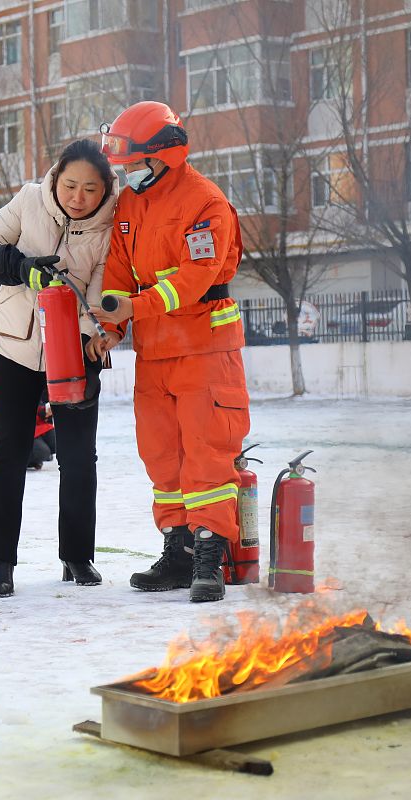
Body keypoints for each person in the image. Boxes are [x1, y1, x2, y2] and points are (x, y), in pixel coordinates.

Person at [91, 101, 249, 603]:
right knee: (162, 456)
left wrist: (133, 307)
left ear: (165, 154)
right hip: (156, 353)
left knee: (207, 452)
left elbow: (194, 277)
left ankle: (209, 556)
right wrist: (112, 327)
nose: (126, 174)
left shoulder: (206, 202)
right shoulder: (130, 206)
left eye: (133, 163)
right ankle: (177, 550)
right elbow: (118, 269)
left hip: (205, 346)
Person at [0, 137, 117, 597]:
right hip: (14, 344)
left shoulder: (110, 226)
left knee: (77, 456)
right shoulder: (30, 200)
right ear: (57, 178)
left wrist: (95, 333)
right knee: (9, 449)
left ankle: (77, 555)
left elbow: (103, 284)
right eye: (71, 185)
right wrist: (20, 267)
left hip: (73, 350)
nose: (78, 198)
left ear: (105, 189)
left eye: (90, 189)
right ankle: (0, 560)